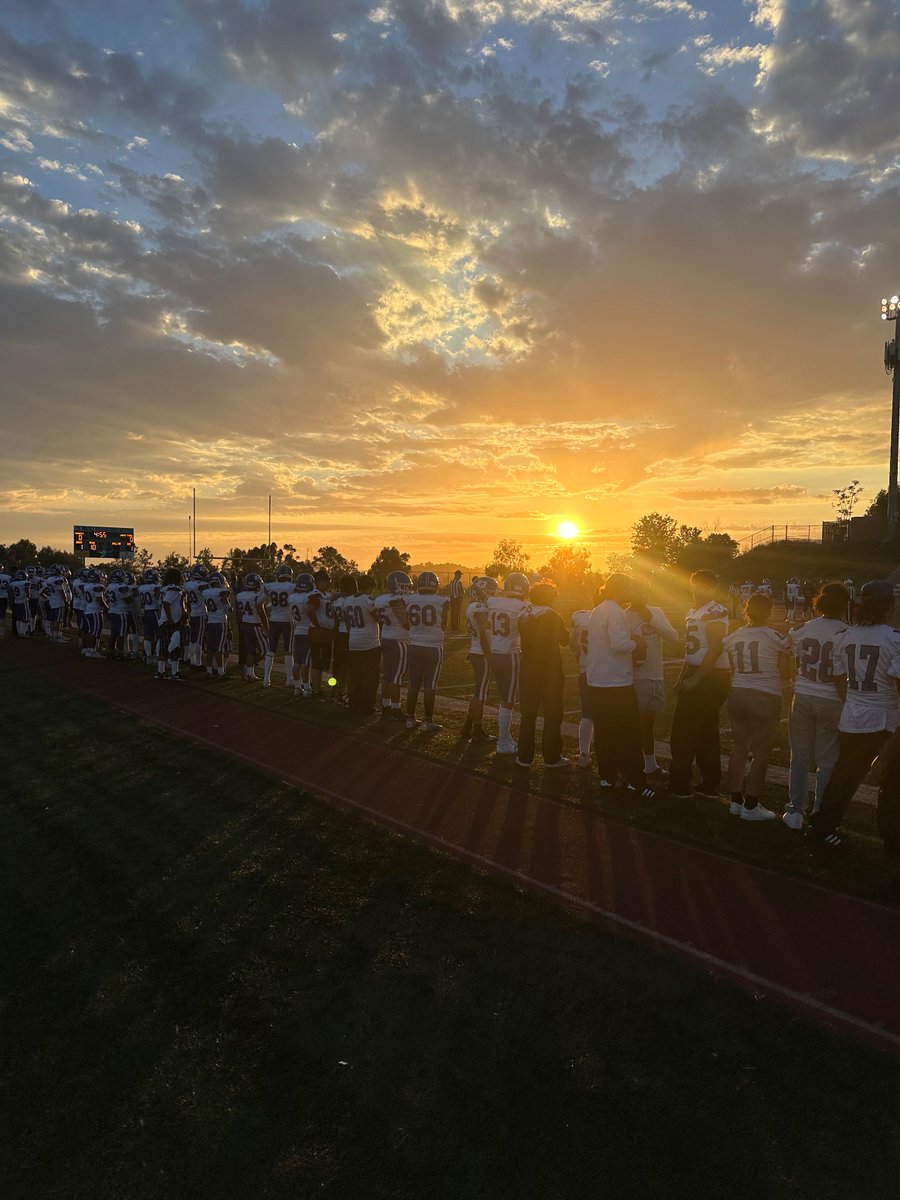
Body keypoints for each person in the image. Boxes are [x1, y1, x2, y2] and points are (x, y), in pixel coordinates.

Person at [809, 580, 900, 847]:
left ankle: (823, 824)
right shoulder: (894, 638)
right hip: (884, 718)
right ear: (889, 606)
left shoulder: (845, 635)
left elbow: (839, 677)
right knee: (892, 780)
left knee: (844, 775)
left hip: (853, 715)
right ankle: (891, 835)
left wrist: (853, 702)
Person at [722, 593, 792, 820]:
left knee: (739, 749)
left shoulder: (733, 636)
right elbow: (785, 671)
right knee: (761, 754)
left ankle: (735, 801)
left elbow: (734, 667)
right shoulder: (774, 637)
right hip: (764, 695)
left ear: (746, 610)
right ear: (769, 611)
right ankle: (751, 805)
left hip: (738, 692)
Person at [784, 582, 849, 829]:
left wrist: (794, 681)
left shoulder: (802, 629)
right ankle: (819, 810)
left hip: (803, 695)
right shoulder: (847, 633)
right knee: (827, 759)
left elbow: (788, 654)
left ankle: (795, 811)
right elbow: (841, 674)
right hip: (831, 699)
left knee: (799, 756)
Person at [585, 574, 654, 797]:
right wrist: (637, 642)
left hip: (597, 678)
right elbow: (618, 644)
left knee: (604, 731)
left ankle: (607, 776)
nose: (631, 593)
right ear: (620, 589)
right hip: (616, 681)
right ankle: (635, 779)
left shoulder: (598, 609)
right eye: (629, 588)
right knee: (628, 731)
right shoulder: (615, 611)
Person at [667, 570, 731, 800]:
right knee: (706, 732)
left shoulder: (716, 611)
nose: (698, 590)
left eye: (704, 586)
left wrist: (695, 679)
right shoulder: (694, 610)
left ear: (713, 589)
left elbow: (715, 649)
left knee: (684, 732)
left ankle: (680, 783)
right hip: (701, 674)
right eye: (696, 585)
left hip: (711, 676)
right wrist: (683, 676)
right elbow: (690, 651)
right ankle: (710, 783)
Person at [626, 578, 678, 785]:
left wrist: (651, 619)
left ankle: (649, 764)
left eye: (644, 592)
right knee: (638, 724)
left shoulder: (655, 611)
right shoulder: (623, 615)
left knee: (649, 724)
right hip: (636, 677)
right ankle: (637, 765)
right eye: (637, 592)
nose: (641, 597)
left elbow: (674, 637)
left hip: (656, 674)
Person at [515, 581, 570, 768]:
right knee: (553, 715)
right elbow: (564, 640)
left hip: (528, 670)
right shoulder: (551, 616)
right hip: (550, 671)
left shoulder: (523, 615)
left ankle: (524, 756)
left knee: (528, 715)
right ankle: (552, 756)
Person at [487, 572, 530, 756]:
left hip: (494, 653)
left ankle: (505, 738)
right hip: (510, 654)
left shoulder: (494, 602)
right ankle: (503, 741)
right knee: (509, 700)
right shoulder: (523, 606)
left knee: (505, 697)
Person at [405, 570, 449, 731]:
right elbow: (444, 623)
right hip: (433, 646)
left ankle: (409, 719)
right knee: (430, 685)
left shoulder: (409, 599)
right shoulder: (442, 600)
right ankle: (427, 721)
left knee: (414, 683)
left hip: (414, 644)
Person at [461, 577, 497, 743]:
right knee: (480, 694)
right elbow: (483, 636)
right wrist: (490, 657)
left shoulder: (472, 606)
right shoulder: (480, 608)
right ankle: (477, 729)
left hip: (476, 652)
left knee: (480, 692)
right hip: (482, 654)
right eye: (491, 591)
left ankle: (468, 726)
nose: (493, 594)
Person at [375, 570, 411, 721]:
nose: (407, 589)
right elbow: (405, 624)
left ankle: (386, 706)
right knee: (396, 677)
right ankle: (396, 708)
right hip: (398, 640)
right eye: (404, 586)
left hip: (386, 638)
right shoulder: (395, 600)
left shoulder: (380, 599)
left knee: (388, 676)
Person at [343, 575, 382, 713]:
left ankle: (354, 703)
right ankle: (367, 705)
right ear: (370, 587)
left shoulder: (348, 600)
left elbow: (346, 619)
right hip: (369, 642)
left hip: (353, 641)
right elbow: (377, 618)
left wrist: (352, 632)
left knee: (355, 675)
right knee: (371, 676)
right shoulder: (368, 600)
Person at [569, 593, 597, 767]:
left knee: (587, 714)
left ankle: (584, 754)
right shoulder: (616, 616)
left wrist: (579, 654)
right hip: (607, 675)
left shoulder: (582, 616)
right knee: (608, 716)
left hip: (585, 671)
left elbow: (573, 643)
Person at [262, 566, 295, 688]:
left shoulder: (270, 586)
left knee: (271, 650)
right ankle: (289, 679)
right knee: (288, 650)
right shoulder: (293, 587)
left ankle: (266, 679)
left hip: (274, 620)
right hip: (287, 620)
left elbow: (260, 602)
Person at [234, 572, 268, 681]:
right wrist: (267, 628)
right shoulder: (256, 596)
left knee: (250, 651)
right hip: (254, 625)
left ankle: (250, 674)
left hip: (244, 625)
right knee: (265, 649)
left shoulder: (239, 595)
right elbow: (262, 613)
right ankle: (248, 668)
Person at [287, 572, 316, 695]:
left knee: (297, 661)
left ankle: (297, 687)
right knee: (306, 662)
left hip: (297, 631)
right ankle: (307, 687)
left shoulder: (291, 598)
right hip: (308, 631)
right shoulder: (309, 597)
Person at [155, 568, 186, 680]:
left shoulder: (165, 588)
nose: (183, 578)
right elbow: (166, 603)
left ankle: (161, 671)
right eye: (181, 575)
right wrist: (171, 619)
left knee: (164, 647)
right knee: (174, 646)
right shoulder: (174, 589)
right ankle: (174, 672)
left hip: (164, 621)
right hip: (171, 622)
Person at [202, 571, 232, 678]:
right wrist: (228, 604)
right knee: (219, 648)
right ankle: (220, 672)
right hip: (220, 622)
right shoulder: (221, 592)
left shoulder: (205, 592)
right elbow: (228, 610)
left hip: (210, 621)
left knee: (210, 648)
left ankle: (209, 671)